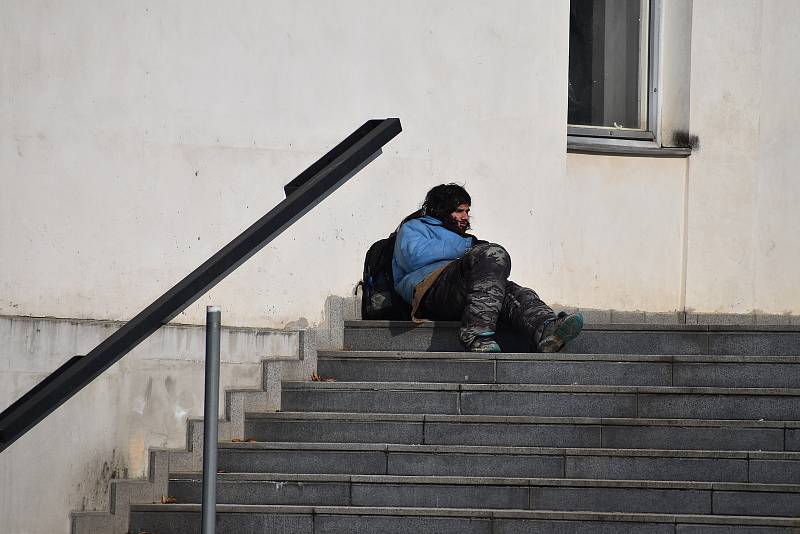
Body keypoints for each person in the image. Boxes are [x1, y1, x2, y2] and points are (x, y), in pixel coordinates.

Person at [392, 183, 583, 353]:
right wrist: (468, 247)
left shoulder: (460, 237)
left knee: (509, 290)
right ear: (442, 210)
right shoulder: (415, 227)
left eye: (467, 211)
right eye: (459, 211)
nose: (465, 217)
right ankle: (476, 334)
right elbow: (412, 256)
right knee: (491, 254)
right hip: (429, 289)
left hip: (456, 288)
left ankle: (546, 329)